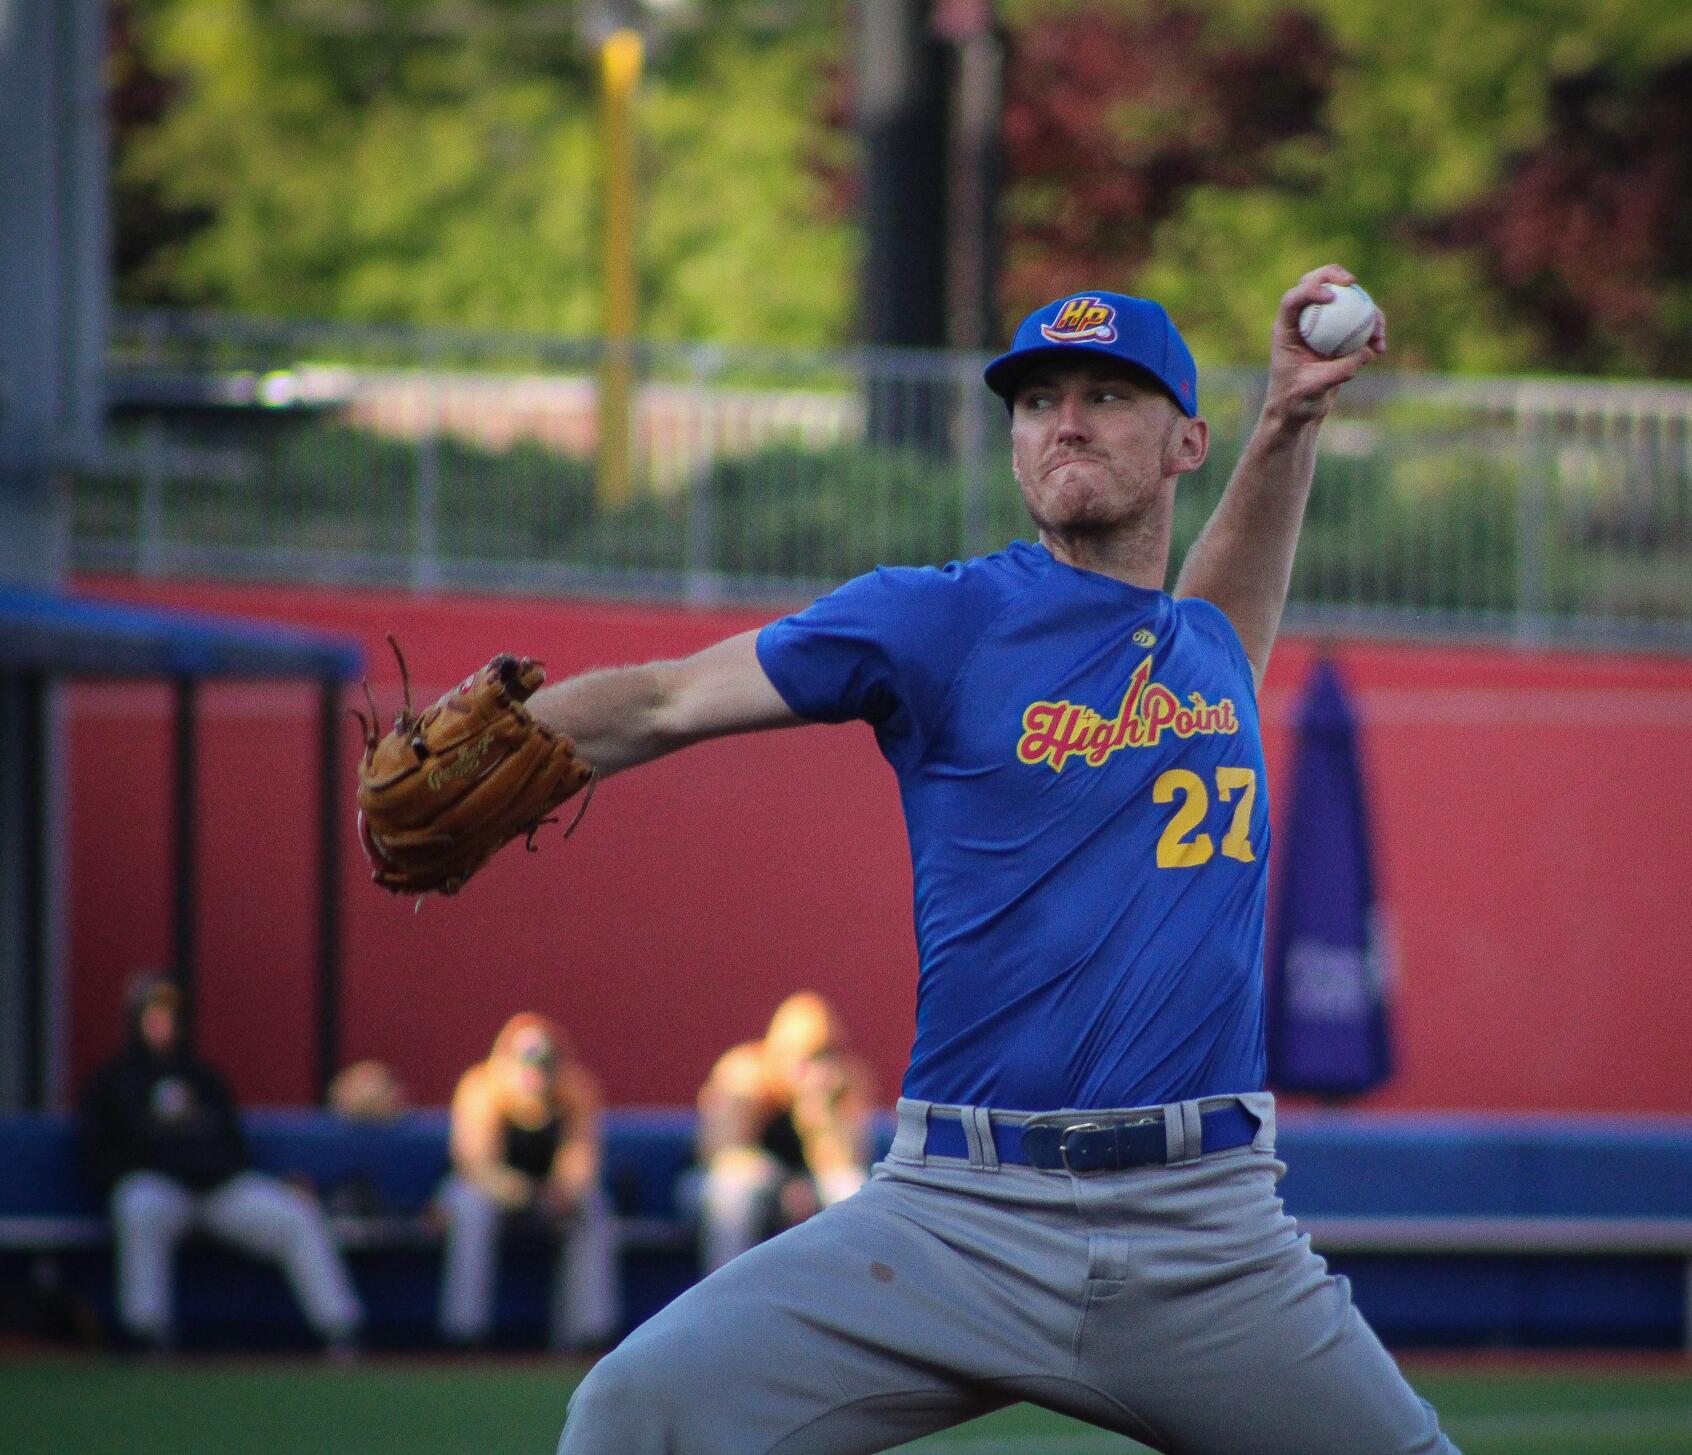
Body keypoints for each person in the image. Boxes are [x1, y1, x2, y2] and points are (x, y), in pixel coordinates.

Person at [532, 270, 1457, 1453]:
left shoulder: (1201, 656)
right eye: (1037, 401)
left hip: (1207, 1236)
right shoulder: (940, 620)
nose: (1064, 419)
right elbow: (665, 701)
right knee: (636, 1414)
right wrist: (504, 736)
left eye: (1107, 395)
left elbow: (1224, 610)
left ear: (1186, 441)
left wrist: (1291, 419)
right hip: (956, 1219)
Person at [77, 971, 364, 1353]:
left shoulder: (204, 1079)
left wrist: (209, 1166)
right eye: (154, 1014)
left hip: (217, 1190)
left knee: (295, 1214)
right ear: (135, 1018)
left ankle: (339, 1327)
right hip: (159, 1189)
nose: (164, 1024)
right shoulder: (112, 1082)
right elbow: (98, 1155)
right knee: (137, 1204)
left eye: (171, 1015)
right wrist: (152, 1162)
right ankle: (146, 1331)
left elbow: (236, 1146)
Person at [437, 1013, 619, 1351]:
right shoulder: (481, 1087)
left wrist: (565, 1190)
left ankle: (589, 1336)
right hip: (486, 1190)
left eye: (545, 1063)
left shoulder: (575, 1091)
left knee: (592, 1208)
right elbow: (475, 1165)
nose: (534, 1072)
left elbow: (581, 1160)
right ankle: (464, 1335)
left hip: (547, 1194)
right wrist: (523, 1193)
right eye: (525, 1062)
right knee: (471, 1209)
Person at [691, 991, 874, 1273]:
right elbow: (720, 1158)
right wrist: (784, 1187)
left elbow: (846, 1167)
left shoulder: (843, 1084)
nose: (814, 1067)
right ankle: (727, 1299)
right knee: (734, 1189)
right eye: (803, 1056)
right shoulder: (743, 1076)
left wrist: (818, 1117)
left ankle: (856, 1301)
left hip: (806, 1185)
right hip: (722, 1188)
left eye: (825, 1054)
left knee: (850, 1187)